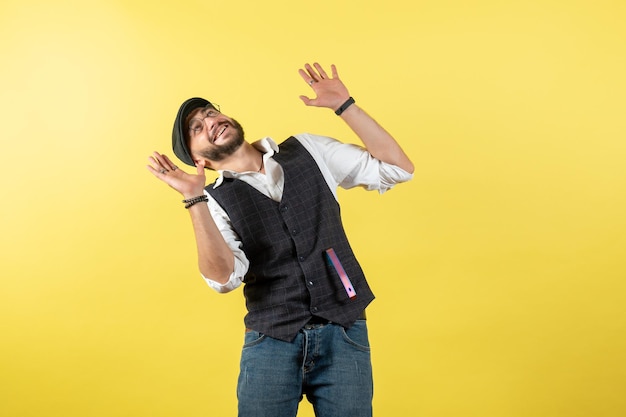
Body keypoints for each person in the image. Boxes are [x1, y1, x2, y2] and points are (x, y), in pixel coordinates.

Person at [147, 62, 414, 417]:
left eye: (211, 113)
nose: (210, 121)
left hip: (345, 330)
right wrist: (195, 199)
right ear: (198, 159)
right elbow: (224, 279)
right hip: (272, 340)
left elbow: (397, 168)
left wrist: (345, 106)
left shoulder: (309, 149)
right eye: (197, 127)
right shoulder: (211, 200)